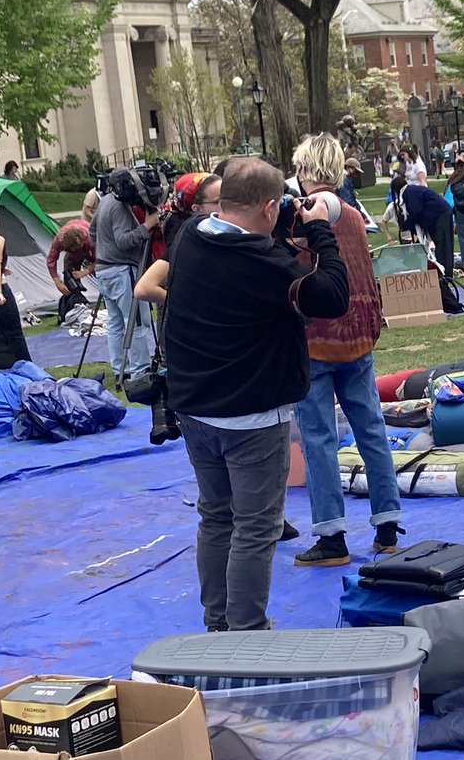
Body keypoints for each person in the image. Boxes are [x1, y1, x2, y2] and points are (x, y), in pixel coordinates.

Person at [163, 157, 349, 631]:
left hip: (196, 410)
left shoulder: (189, 236)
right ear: (269, 207)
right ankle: (247, 629)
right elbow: (331, 296)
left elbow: (260, 256)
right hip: (250, 418)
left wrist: (286, 230)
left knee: (216, 518)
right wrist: (320, 232)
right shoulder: (263, 263)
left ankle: (218, 623)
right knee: (256, 526)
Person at [285, 134, 405, 567]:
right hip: (358, 336)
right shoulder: (354, 215)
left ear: (303, 171)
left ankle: (332, 536)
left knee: (318, 438)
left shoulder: (303, 217)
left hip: (316, 338)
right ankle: (388, 524)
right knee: (371, 429)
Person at [89, 171, 158, 381]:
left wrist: (104, 249)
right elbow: (123, 241)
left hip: (105, 270)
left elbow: (92, 232)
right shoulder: (118, 206)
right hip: (121, 270)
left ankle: (121, 368)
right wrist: (148, 226)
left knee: (116, 323)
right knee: (136, 321)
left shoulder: (105, 202)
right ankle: (139, 371)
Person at [134, 173, 222, 305]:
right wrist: (191, 305)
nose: (227, 206)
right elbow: (144, 288)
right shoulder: (187, 237)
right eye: (218, 202)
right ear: (196, 208)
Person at [394, 178, 455, 269]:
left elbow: (416, 212)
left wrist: (406, 225)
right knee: (444, 247)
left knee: (443, 249)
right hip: (441, 214)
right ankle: (445, 274)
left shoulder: (409, 192)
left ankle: (445, 276)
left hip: (440, 216)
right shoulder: (412, 190)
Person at [0, 216, 32, 369]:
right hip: (0, 289)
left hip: (0, 287)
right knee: (14, 333)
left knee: (6, 334)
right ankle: (27, 369)